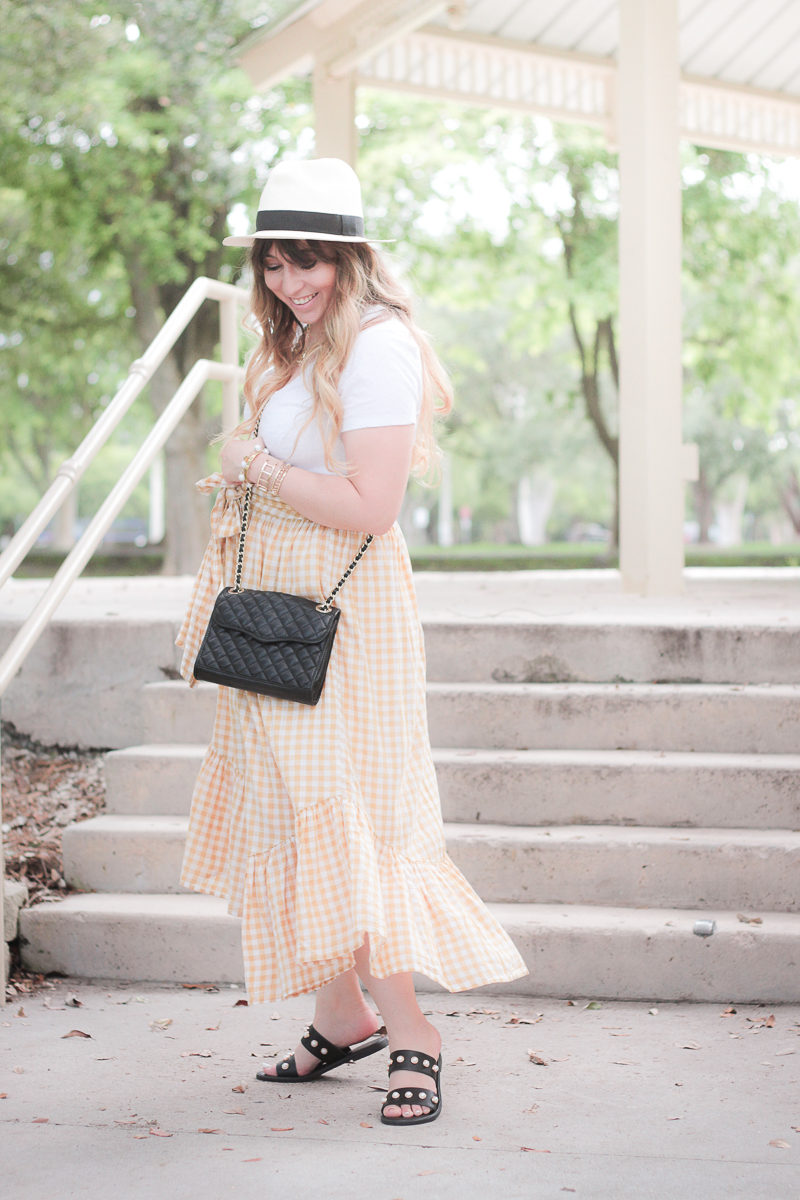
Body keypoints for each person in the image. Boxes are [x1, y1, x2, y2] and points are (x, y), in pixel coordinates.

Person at [176, 158, 528, 1127]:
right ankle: (340, 1014)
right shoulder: (293, 342)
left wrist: (252, 460)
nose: (291, 281)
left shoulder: (377, 347)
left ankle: (413, 1028)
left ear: (352, 257)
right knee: (290, 812)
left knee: (351, 815)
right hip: (269, 604)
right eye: (276, 263)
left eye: (310, 261)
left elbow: (370, 506)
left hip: (342, 607)